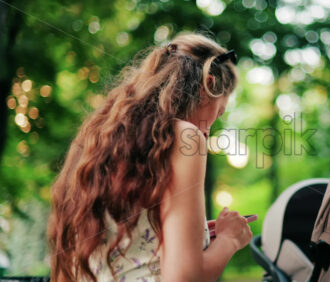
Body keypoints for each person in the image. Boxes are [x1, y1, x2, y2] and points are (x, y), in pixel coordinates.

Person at [46, 32, 252, 281]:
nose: (208, 131)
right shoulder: (185, 137)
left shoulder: (97, 141)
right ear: (207, 86)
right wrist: (230, 239)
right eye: (218, 113)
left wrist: (195, 234)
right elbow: (184, 278)